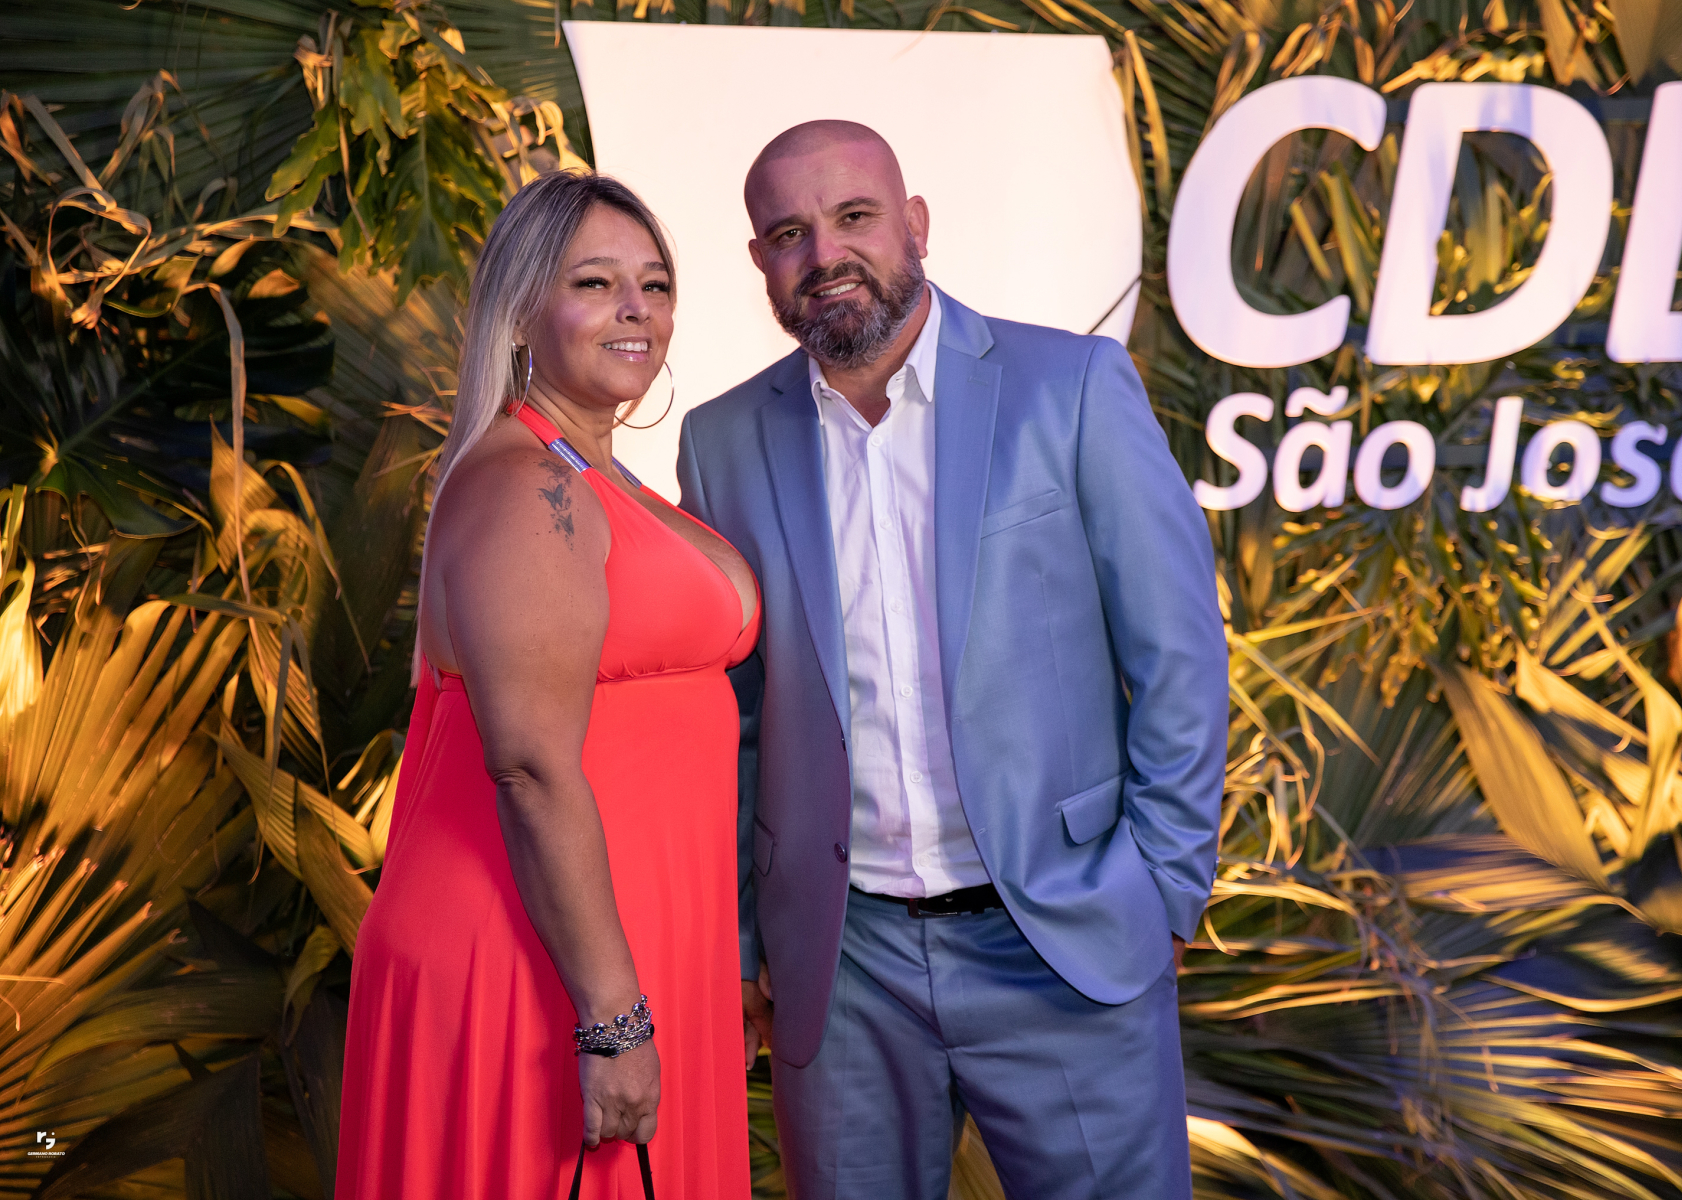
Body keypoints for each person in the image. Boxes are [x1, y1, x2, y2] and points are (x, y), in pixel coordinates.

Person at [676, 121, 1227, 1199]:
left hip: (1062, 940)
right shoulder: (721, 440)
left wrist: (1162, 887)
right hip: (842, 966)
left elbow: (1178, 655)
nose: (824, 253)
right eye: (788, 233)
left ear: (915, 224)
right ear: (759, 261)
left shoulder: (1069, 385)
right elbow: (732, 720)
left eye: (853, 216)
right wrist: (743, 940)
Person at [337, 171, 758, 1199]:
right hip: (539, 959)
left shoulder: (596, 474)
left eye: (654, 284)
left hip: (635, 939)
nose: (635, 309)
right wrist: (611, 1017)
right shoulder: (526, 484)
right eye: (595, 283)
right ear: (522, 310)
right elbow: (527, 767)